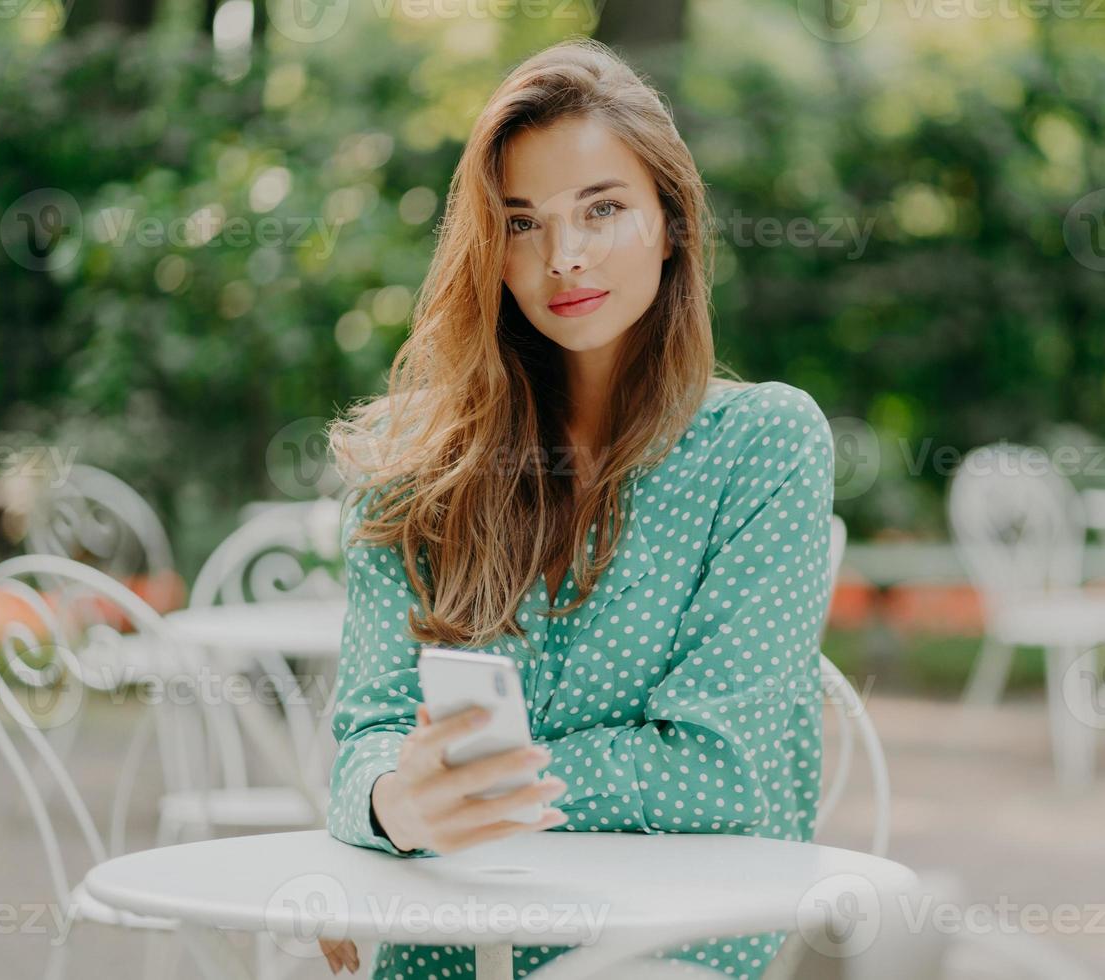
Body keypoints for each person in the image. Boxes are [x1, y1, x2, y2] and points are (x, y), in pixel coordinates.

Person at [319, 36, 836, 980]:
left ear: (672, 223)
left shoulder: (765, 446)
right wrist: (396, 804)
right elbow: (366, 741)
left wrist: (472, 786)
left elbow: (720, 771)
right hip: (447, 945)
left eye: (604, 209)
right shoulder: (415, 465)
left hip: (664, 953)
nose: (566, 256)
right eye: (523, 223)